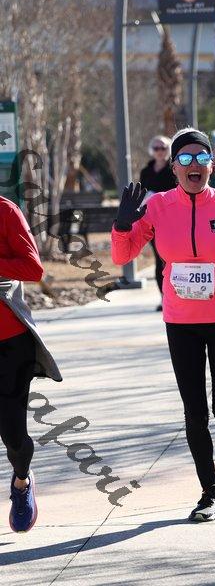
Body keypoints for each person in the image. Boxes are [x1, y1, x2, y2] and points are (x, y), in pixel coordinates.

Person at [111, 127, 215, 522]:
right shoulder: (158, 207)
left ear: (211, 165)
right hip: (181, 320)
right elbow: (122, 256)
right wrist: (122, 225)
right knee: (194, 413)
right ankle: (210, 494)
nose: (192, 164)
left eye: (200, 157)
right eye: (184, 158)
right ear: (174, 168)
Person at [0, 196, 62, 533]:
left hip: (9, 343)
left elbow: (33, 269)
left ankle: (22, 481)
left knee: (13, 437)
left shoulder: (6, 212)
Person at [139, 135, 176, 311]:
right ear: (151, 150)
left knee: (172, 259)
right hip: (153, 220)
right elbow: (141, 192)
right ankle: (164, 299)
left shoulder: (174, 170)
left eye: (163, 148)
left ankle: (178, 297)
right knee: (159, 260)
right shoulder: (146, 171)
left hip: (172, 220)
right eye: (156, 148)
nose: (160, 151)